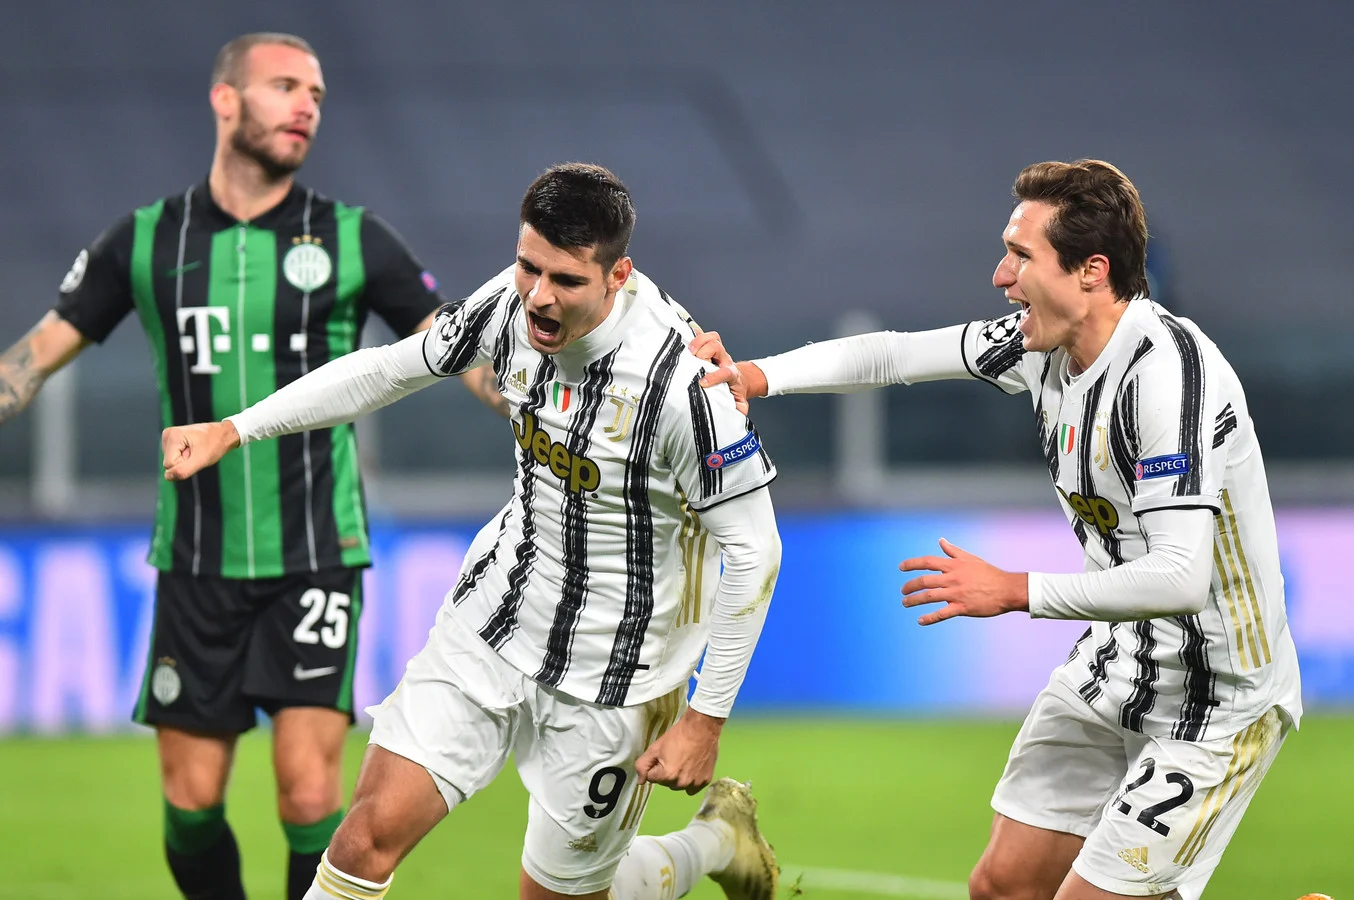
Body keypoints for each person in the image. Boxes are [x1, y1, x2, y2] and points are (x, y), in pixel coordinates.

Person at [158, 162, 783, 900]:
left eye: (566, 280)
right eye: (528, 267)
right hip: (494, 623)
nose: (539, 296)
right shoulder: (510, 306)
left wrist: (706, 721)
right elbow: (388, 370)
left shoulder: (683, 387)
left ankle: (713, 842)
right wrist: (235, 428)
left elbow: (756, 552)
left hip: (617, 675)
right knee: (363, 839)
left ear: (619, 275)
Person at [692, 159, 1302, 900]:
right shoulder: (1041, 347)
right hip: (1116, 665)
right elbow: (893, 353)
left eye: (1021, 256)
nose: (1000, 276)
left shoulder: (1166, 377)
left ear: (1091, 271)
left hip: (1217, 698)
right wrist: (756, 376)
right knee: (1003, 886)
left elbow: (1181, 575)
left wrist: (1014, 590)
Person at [0, 32, 506, 900]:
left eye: (316, 93)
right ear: (225, 100)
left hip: (315, 554)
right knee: (190, 804)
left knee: (308, 792)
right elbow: (34, 356)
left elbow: (459, 353)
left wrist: (545, 404)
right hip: (196, 561)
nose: (307, 105)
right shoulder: (147, 240)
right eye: (284, 86)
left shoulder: (354, 239)